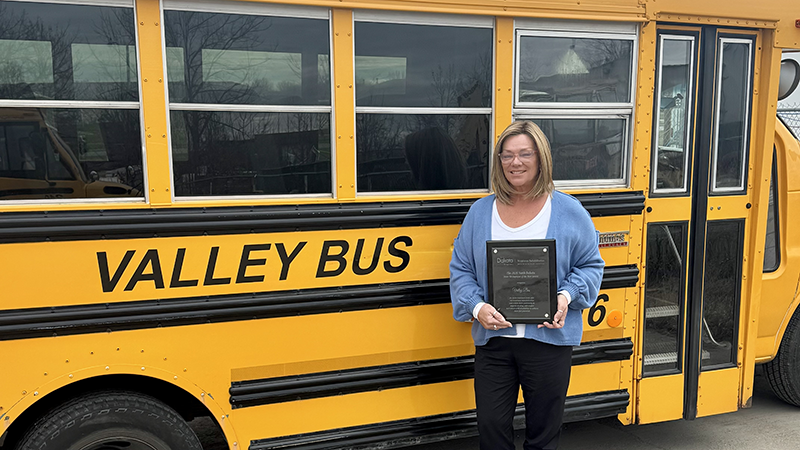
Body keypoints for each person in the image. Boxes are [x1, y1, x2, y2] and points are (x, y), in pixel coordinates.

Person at [449, 121, 604, 450]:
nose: (515, 163)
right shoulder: (480, 212)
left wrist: (565, 296)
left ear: (541, 158)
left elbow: (591, 265)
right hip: (494, 343)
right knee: (491, 428)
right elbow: (460, 268)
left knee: (543, 434)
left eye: (524, 154)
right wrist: (476, 308)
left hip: (549, 342)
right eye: (506, 156)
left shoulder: (569, 211)